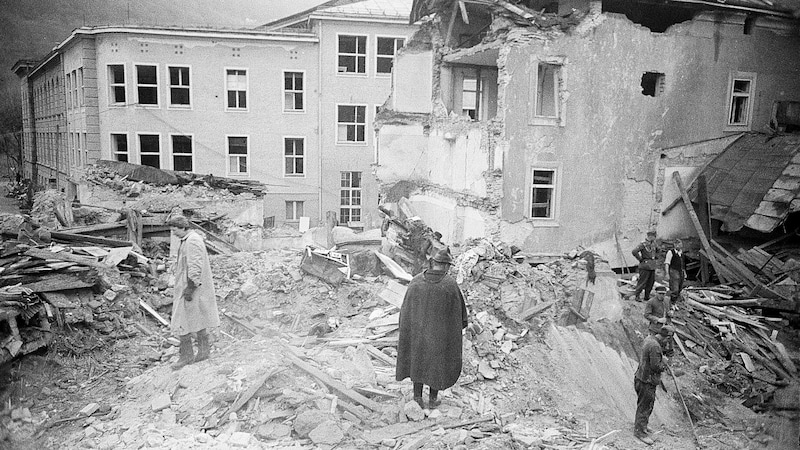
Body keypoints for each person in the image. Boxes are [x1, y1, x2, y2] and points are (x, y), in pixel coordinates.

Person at [396, 247, 468, 409]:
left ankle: (417, 397)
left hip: (417, 336)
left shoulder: (415, 282)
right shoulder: (449, 285)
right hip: (439, 339)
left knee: (417, 362)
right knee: (437, 366)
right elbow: (460, 317)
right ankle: (433, 399)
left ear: (433, 263)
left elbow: (405, 313)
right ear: (446, 266)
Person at [168, 215, 220, 370]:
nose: (173, 233)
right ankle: (203, 353)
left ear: (183, 227)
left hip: (191, 287)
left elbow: (195, 265)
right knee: (196, 319)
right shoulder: (188, 240)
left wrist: (190, 287)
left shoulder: (192, 241)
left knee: (183, 321)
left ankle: (187, 356)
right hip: (188, 285)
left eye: (175, 229)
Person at [633, 325, 674, 445]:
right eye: (668, 340)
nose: (667, 343)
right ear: (665, 336)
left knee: (645, 405)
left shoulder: (649, 339)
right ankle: (640, 432)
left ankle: (642, 426)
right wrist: (664, 364)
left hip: (641, 377)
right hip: (647, 381)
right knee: (645, 407)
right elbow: (656, 366)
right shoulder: (655, 347)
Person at [629, 231, 659, 302]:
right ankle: (637, 296)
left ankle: (646, 296)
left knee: (651, 282)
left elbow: (658, 250)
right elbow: (634, 251)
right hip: (645, 265)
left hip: (652, 265)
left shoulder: (654, 244)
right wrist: (640, 259)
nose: (655, 238)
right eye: (654, 236)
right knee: (642, 281)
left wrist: (656, 257)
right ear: (650, 236)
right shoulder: (643, 244)